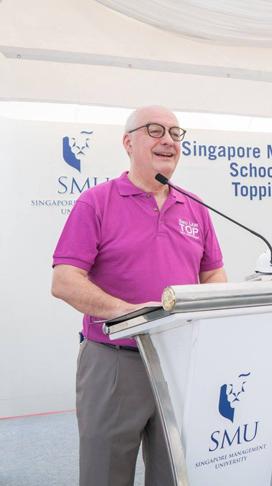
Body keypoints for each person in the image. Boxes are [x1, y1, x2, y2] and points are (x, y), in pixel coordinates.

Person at [51, 106, 227, 486]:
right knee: (106, 474)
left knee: (176, 473)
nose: (168, 139)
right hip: (116, 362)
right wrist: (129, 312)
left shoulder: (195, 207)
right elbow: (65, 280)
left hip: (181, 361)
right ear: (128, 142)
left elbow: (213, 274)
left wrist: (208, 313)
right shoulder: (96, 202)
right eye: (155, 130)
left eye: (176, 133)